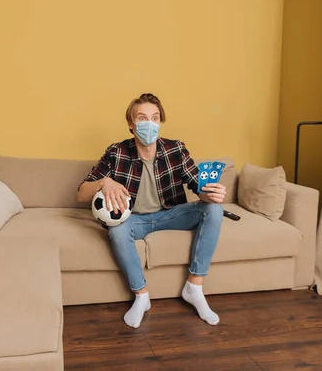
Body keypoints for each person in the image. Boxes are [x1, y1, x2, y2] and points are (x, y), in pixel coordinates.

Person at [77, 93, 226, 329]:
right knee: (115, 230)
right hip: (135, 220)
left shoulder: (175, 149)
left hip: (170, 214)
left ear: (160, 122)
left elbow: (197, 185)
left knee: (214, 210)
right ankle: (141, 296)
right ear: (131, 124)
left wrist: (210, 194)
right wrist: (104, 182)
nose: (149, 123)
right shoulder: (116, 152)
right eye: (142, 118)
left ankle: (194, 287)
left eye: (155, 118)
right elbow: (81, 193)